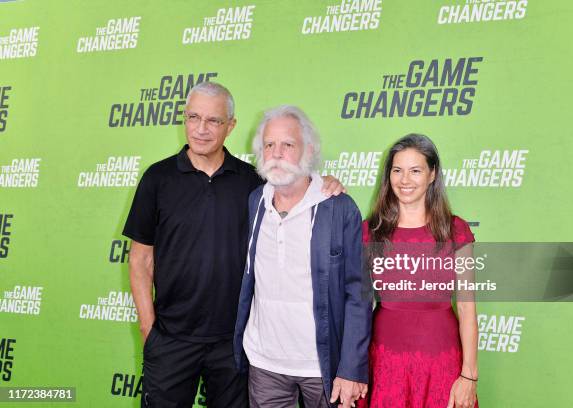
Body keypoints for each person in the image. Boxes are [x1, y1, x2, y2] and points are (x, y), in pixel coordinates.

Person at [123, 82, 344, 408]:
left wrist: (325, 182)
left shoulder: (253, 182)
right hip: (170, 339)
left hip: (235, 342)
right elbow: (140, 260)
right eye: (193, 117)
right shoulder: (157, 179)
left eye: (213, 120)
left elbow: (295, 187)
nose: (200, 129)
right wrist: (149, 330)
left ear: (231, 126)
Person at [233, 105, 372, 408]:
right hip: (265, 364)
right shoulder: (255, 202)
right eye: (269, 145)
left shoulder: (339, 207)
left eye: (288, 144)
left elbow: (359, 295)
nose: (277, 153)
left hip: (322, 366)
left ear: (308, 150)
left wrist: (351, 368)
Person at [360, 134, 478, 408]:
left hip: (443, 362)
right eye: (397, 170)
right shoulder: (369, 232)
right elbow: (358, 306)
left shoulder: (455, 230)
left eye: (415, 171)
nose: (405, 180)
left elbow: (467, 309)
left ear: (432, 174)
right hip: (385, 362)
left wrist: (469, 375)